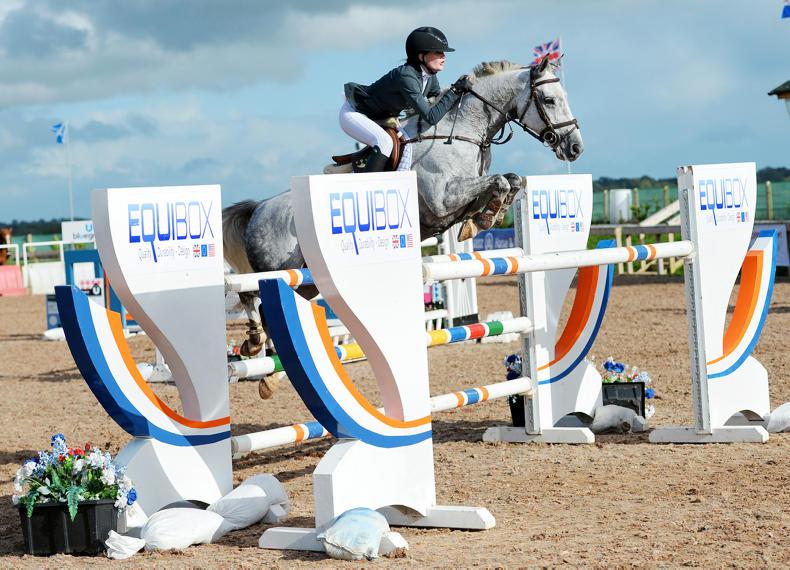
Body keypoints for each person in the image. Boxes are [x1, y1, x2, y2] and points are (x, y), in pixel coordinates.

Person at [340, 27, 474, 173]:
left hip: (381, 118)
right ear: (421, 56)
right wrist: (454, 91)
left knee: (403, 142)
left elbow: (437, 101)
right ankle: (368, 187)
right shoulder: (406, 76)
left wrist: (460, 93)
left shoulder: (429, 77)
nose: (443, 56)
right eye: (438, 52)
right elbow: (431, 117)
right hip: (356, 114)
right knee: (384, 142)